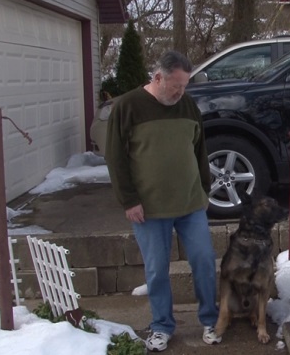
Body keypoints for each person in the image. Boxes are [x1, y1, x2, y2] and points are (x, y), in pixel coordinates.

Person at [105, 51, 221, 352]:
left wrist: (204, 190)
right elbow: (115, 158)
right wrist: (128, 200)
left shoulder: (187, 104)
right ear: (158, 77)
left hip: (190, 202)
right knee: (157, 269)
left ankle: (211, 319)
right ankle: (161, 326)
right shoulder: (128, 106)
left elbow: (199, 148)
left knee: (204, 260)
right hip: (149, 208)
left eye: (185, 86)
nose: (181, 92)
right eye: (176, 86)